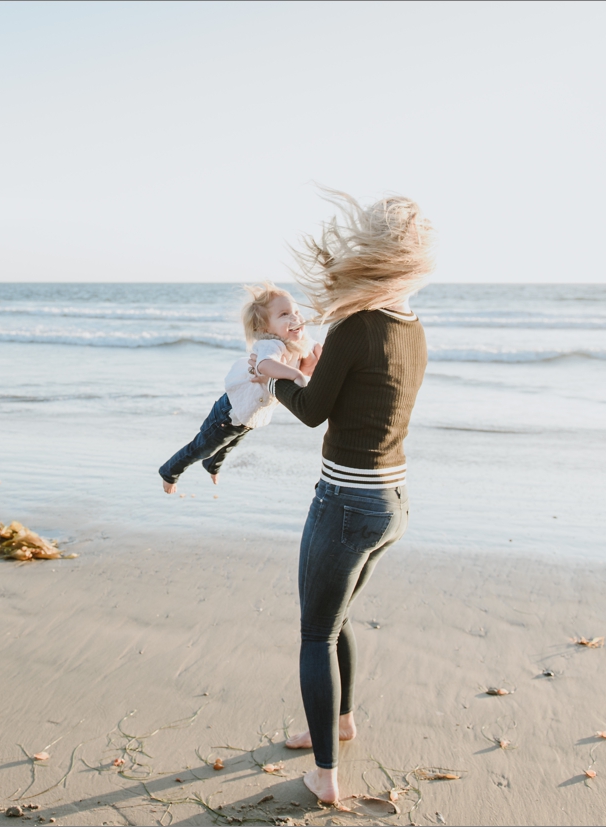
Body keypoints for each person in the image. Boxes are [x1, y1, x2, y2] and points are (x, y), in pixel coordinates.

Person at [252, 189, 433, 805]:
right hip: (392, 503)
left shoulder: (354, 325)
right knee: (337, 618)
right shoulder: (413, 329)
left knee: (315, 634)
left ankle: (325, 776)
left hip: (347, 502)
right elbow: (365, 402)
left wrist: (276, 376)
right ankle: (341, 722)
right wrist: (310, 373)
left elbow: (311, 411)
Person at [159, 284, 322, 494]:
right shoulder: (271, 344)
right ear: (265, 328)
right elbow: (264, 365)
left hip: (249, 412)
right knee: (203, 447)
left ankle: (212, 465)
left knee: (230, 442)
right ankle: (170, 472)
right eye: (284, 314)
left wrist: (316, 356)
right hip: (229, 411)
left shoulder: (298, 342)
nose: (295, 318)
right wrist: (296, 375)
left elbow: (311, 361)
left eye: (296, 312)